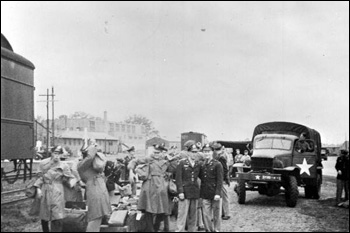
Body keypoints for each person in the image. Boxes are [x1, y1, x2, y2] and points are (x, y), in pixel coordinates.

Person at [128, 144, 170, 232]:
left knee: (162, 210)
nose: (156, 154)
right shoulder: (148, 159)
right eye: (155, 152)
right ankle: (150, 229)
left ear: (162, 153)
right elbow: (134, 161)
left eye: (158, 153)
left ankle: (156, 227)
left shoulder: (165, 161)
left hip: (161, 186)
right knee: (148, 209)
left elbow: (174, 167)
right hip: (149, 186)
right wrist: (131, 171)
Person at [34, 145, 75, 232]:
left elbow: (70, 179)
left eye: (59, 154)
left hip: (57, 190)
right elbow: (39, 177)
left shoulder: (64, 166)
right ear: (51, 153)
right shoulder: (44, 163)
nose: (57, 156)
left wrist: (72, 182)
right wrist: (38, 188)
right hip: (45, 189)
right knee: (44, 214)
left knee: (57, 215)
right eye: (55, 153)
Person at [77, 141, 111, 232]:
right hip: (95, 190)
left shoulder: (94, 167)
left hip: (99, 189)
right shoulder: (81, 165)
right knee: (95, 217)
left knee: (98, 217)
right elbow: (90, 157)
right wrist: (93, 147)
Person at [175, 142, 202, 232]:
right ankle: (179, 230)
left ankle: (192, 230)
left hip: (194, 192)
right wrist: (180, 192)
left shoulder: (198, 164)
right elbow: (178, 179)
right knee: (182, 215)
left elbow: (201, 177)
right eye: (192, 152)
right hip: (184, 192)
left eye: (196, 152)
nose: (194, 154)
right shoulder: (182, 163)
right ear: (188, 152)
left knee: (193, 215)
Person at [199, 143, 223, 232]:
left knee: (216, 214)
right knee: (206, 215)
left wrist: (217, 193)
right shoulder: (202, 165)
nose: (206, 153)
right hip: (205, 193)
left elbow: (220, 180)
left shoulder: (217, 164)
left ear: (212, 152)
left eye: (208, 151)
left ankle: (217, 230)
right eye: (205, 152)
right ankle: (208, 230)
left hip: (215, 193)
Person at [212, 142, 231, 220]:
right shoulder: (220, 156)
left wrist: (225, 179)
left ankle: (227, 213)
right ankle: (224, 213)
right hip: (220, 179)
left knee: (224, 196)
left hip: (221, 179)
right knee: (222, 196)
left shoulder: (221, 157)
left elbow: (225, 169)